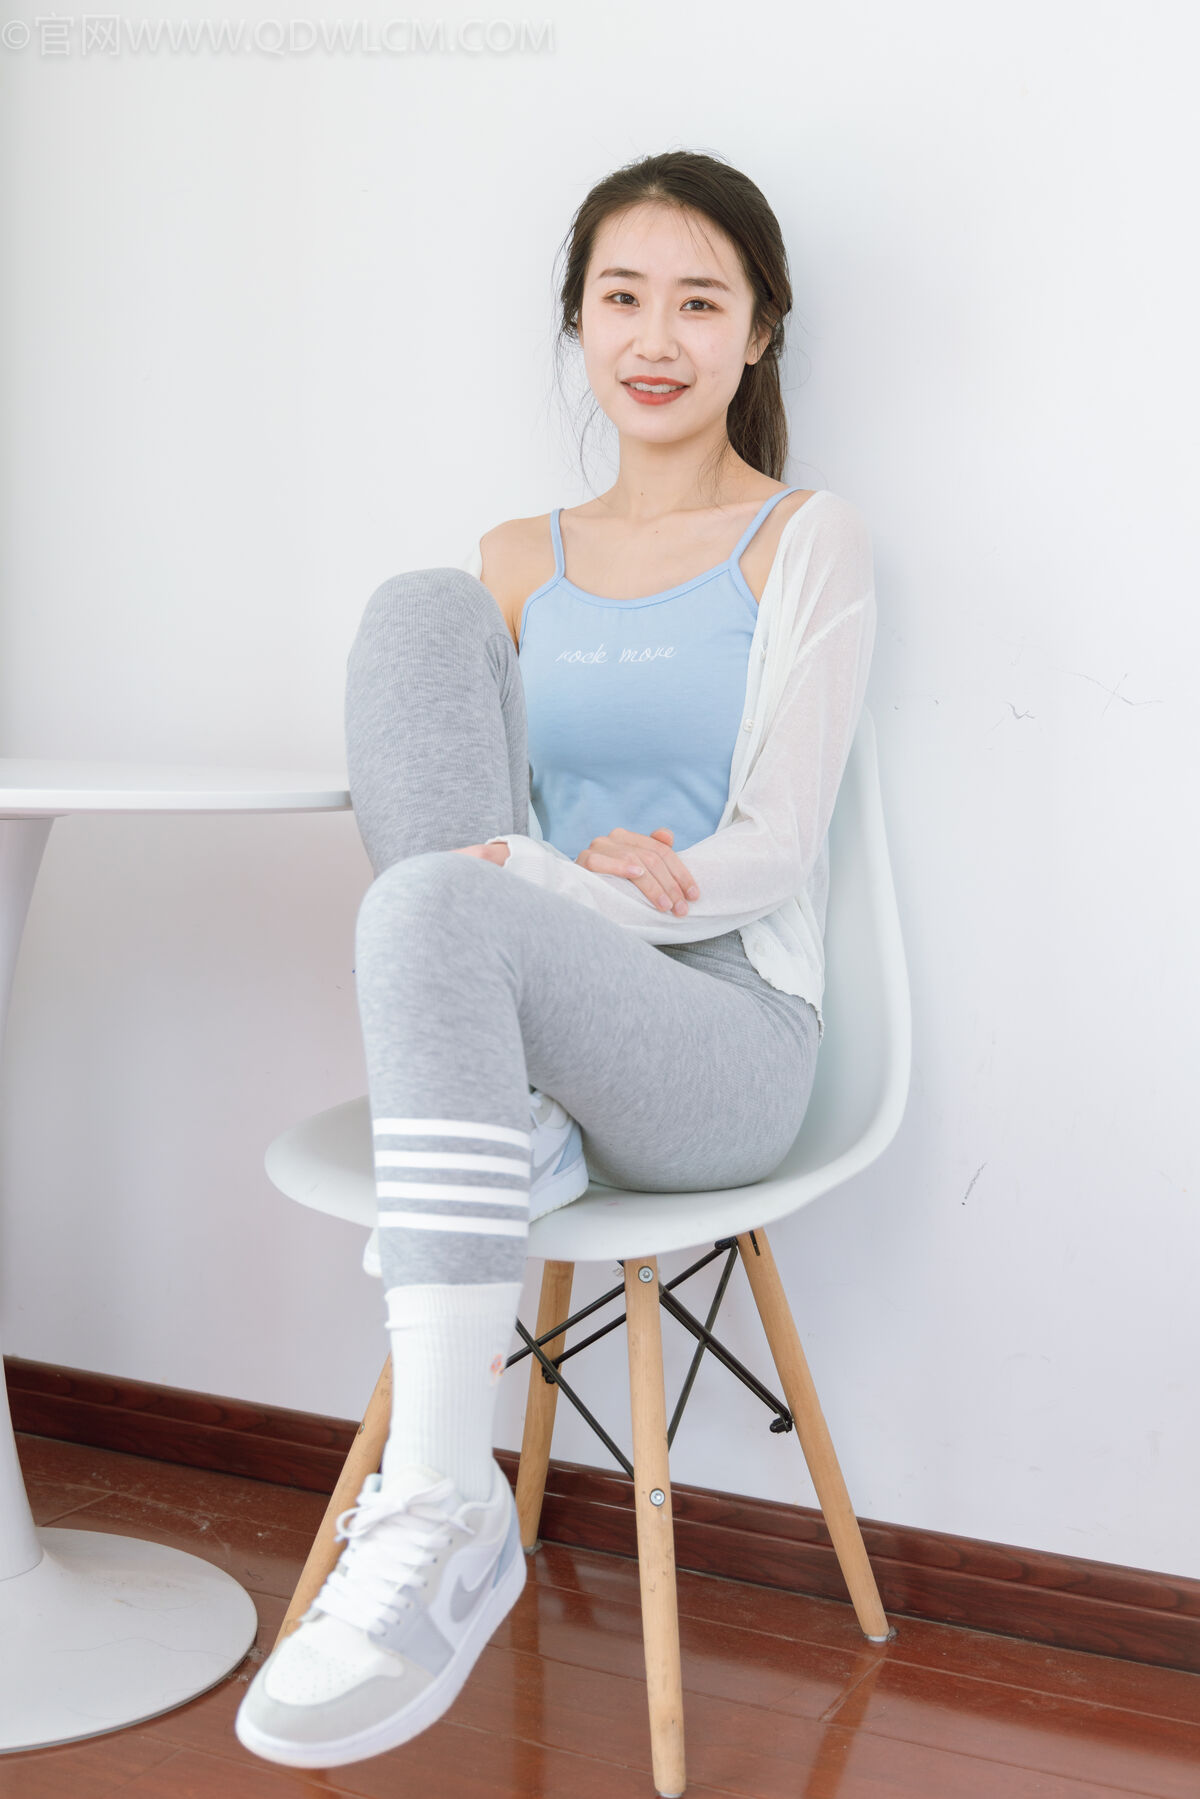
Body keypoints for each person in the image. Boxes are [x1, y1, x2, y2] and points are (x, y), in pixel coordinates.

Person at [236, 147, 877, 1771]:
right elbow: (471, 847)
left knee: (441, 909)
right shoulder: (518, 559)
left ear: (758, 332)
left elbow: (781, 839)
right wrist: (531, 892)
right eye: (621, 297)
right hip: (552, 1013)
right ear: (577, 320)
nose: (655, 336)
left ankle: (442, 1502)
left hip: (725, 1036)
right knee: (414, 619)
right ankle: (516, 1142)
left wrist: (602, 896)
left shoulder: (803, 537)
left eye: (700, 302)